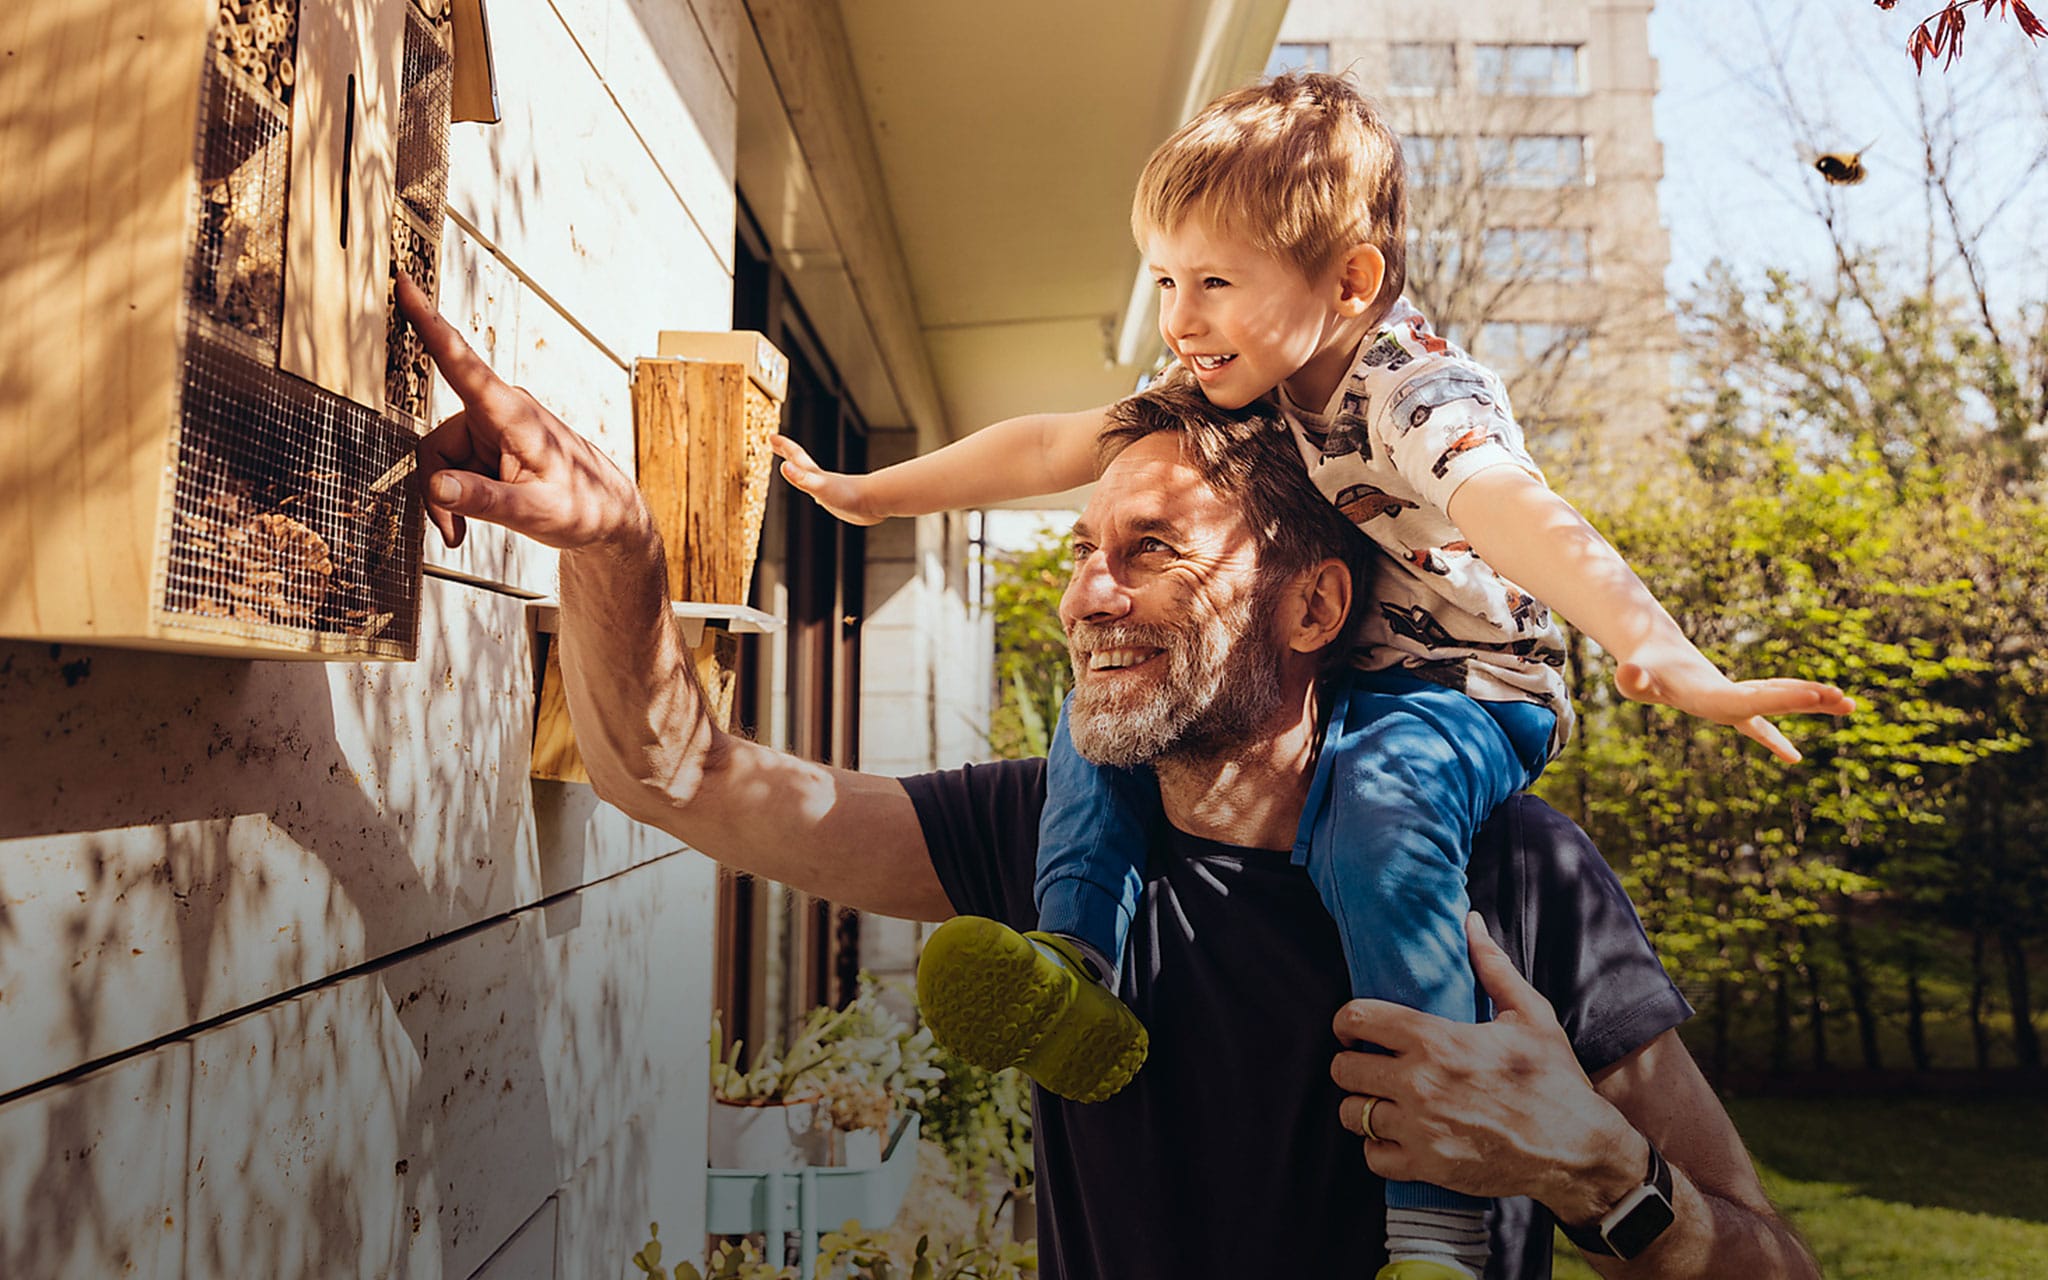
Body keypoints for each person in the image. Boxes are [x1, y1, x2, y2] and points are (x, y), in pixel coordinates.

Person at [394, 272, 1820, 1280]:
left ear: (1316, 612)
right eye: (1081, 552)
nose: (1088, 598)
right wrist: (618, 550)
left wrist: (1608, 1183)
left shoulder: (1518, 872)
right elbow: (672, 775)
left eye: (1153, 557)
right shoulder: (1045, 831)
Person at [770, 73, 1852, 1278]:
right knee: (1106, 723)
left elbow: (1516, 511)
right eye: (1165, 280)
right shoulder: (1223, 388)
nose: (1178, 316)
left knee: (1373, 829)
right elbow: (1044, 442)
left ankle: (1436, 1218)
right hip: (1355, 671)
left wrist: (1648, 640)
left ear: (1345, 280)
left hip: (1459, 690)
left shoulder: (1409, 393)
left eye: (1213, 281)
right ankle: (1074, 968)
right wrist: (870, 493)